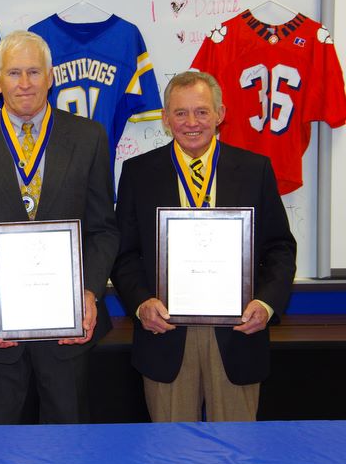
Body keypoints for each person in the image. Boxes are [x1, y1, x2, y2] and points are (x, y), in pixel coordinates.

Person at [0, 30, 119, 424]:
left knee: (68, 446)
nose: (25, 83)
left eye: (34, 72)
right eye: (14, 73)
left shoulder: (88, 137)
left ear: (51, 76)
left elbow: (103, 230)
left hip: (67, 331)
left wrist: (89, 292)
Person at [111, 71, 297, 422]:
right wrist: (141, 303)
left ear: (220, 114)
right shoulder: (138, 173)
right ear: (166, 118)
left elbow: (280, 248)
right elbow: (124, 254)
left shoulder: (255, 169)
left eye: (201, 111)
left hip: (237, 335)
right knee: (171, 448)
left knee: (236, 448)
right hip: (165, 335)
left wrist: (266, 303)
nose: (191, 122)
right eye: (180, 113)